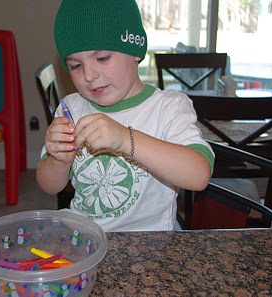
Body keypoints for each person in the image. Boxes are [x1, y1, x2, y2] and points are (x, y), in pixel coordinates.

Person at [36, 0, 214, 232]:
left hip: (149, 243)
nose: (89, 75)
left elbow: (199, 175)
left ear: (135, 50)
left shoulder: (168, 108)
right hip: (84, 237)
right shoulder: (71, 108)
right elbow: (48, 186)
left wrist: (125, 139)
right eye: (76, 66)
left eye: (102, 58)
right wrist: (60, 159)